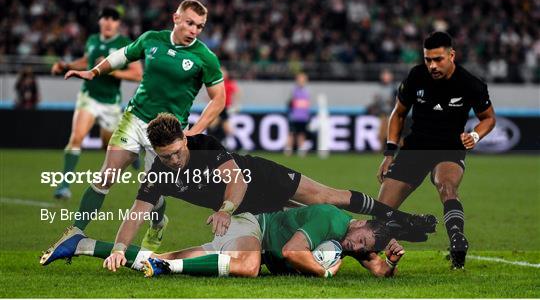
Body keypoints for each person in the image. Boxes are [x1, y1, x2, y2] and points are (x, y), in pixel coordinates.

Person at [41, 112, 436, 267]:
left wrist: (227, 209)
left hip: (261, 180)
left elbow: (236, 179)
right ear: (157, 152)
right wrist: (119, 251)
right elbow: (135, 217)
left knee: (328, 197)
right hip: (252, 213)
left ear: (184, 138)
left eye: (178, 151)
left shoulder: (205, 145)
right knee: (293, 248)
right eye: (166, 155)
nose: (175, 160)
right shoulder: (156, 175)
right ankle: (91, 247)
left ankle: (401, 220)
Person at [47, 0, 226, 251]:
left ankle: (158, 223)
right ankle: (75, 232)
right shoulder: (152, 39)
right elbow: (122, 56)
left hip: (167, 132)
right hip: (135, 117)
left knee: (153, 193)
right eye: (189, 23)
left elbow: (219, 98)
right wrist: (94, 72)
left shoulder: (205, 57)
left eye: (200, 26)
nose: (194, 30)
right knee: (106, 176)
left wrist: (195, 130)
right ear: (176, 18)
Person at [41, 204, 426, 279]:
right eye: (357, 242)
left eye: (361, 249)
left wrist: (390, 264)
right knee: (247, 267)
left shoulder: (358, 240)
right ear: (359, 223)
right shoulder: (331, 219)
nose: (354, 248)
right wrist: (323, 273)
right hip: (251, 227)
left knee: (162, 256)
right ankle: (166, 267)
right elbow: (293, 253)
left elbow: (377, 269)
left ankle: (82, 244)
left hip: (253, 239)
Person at [377, 31, 496, 269]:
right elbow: (398, 113)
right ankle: (406, 230)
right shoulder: (416, 77)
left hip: (449, 148)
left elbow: (488, 118)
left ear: (452, 55)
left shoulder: (470, 83)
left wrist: (474, 135)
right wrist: (389, 153)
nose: (432, 65)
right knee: (379, 214)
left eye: (438, 59)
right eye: (428, 59)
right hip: (415, 148)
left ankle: (457, 242)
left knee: (447, 185)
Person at [50, 6, 143, 200]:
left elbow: (137, 74)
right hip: (89, 97)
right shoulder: (92, 40)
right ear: (100, 21)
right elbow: (87, 61)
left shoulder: (125, 43)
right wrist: (67, 65)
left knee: (107, 145)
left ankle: (133, 156)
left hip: (110, 103)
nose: (109, 22)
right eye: (105, 18)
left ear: (118, 24)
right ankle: (64, 186)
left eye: (113, 19)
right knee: (77, 137)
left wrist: (112, 70)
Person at [207, 66, 239, 147]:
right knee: (213, 126)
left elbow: (236, 93)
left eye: (223, 72)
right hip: (217, 106)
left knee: (225, 128)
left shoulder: (229, 83)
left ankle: (236, 145)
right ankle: (216, 144)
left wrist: (235, 105)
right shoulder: (216, 83)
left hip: (224, 108)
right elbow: (209, 95)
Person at [284, 72, 311, 156]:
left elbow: (307, 104)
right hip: (294, 116)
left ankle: (301, 149)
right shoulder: (294, 91)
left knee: (301, 133)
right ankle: (288, 149)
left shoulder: (306, 91)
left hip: (303, 117)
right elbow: (293, 103)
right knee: (291, 133)